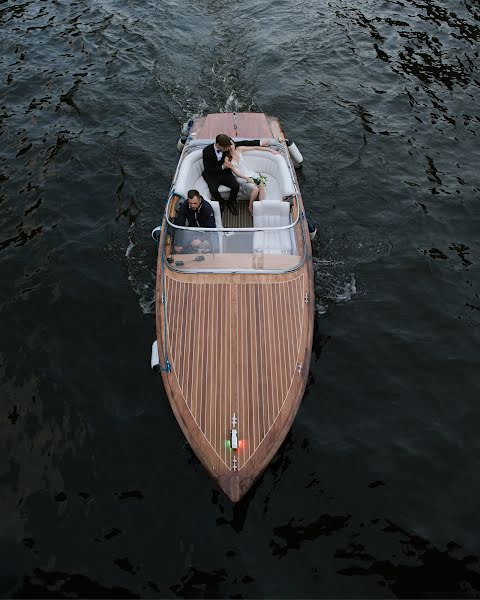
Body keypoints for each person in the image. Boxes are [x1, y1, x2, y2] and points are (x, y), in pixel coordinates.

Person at [202, 134, 271, 215]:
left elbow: (244, 143)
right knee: (213, 190)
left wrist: (260, 143)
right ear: (218, 145)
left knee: (235, 186)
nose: (227, 149)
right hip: (212, 174)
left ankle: (231, 203)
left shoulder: (228, 146)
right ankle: (221, 202)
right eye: (225, 148)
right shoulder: (206, 151)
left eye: (228, 147)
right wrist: (222, 166)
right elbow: (208, 168)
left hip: (225, 173)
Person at [224, 142, 279, 214]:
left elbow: (255, 147)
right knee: (255, 189)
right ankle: (250, 206)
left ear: (234, 144)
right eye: (228, 145)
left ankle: (262, 206)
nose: (231, 146)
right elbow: (236, 173)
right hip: (240, 177)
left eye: (231, 144)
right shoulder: (227, 158)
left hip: (249, 173)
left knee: (261, 185)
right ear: (226, 147)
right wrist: (247, 178)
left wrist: (270, 150)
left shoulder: (239, 149)